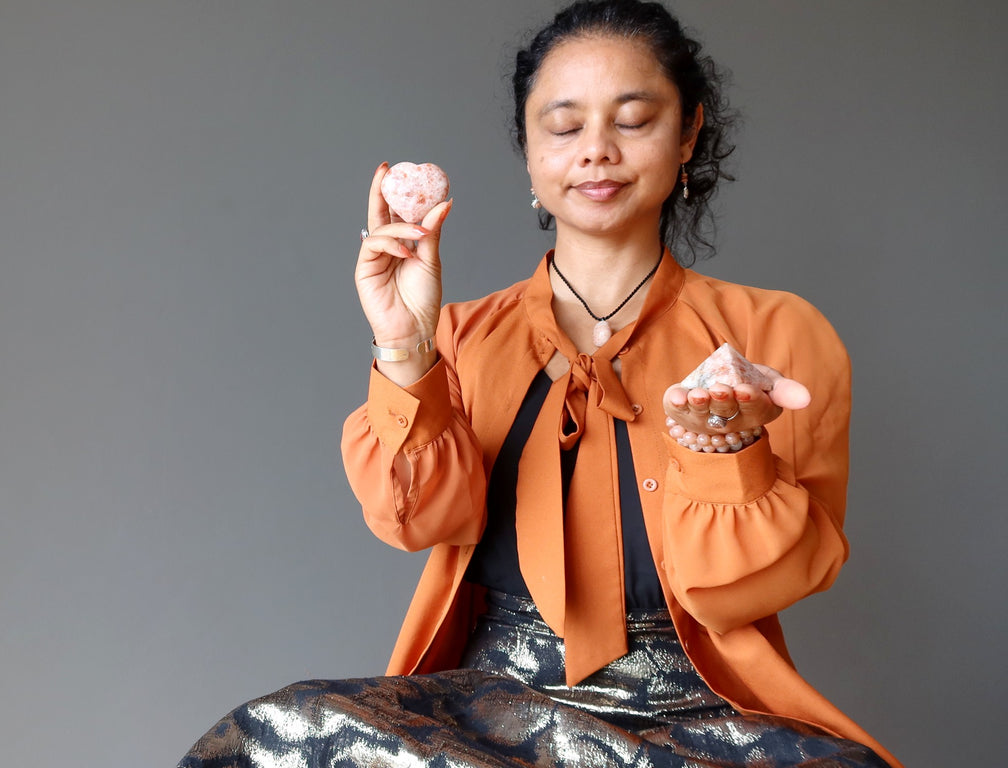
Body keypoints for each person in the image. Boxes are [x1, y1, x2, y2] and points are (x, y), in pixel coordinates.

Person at [179, 1, 901, 766]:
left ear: (687, 133)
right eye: (563, 127)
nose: (597, 151)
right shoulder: (458, 335)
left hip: (696, 717)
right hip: (487, 717)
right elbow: (416, 521)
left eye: (632, 120)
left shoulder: (775, 334)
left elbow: (754, 589)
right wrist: (405, 345)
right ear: (527, 149)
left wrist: (723, 447)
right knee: (273, 736)